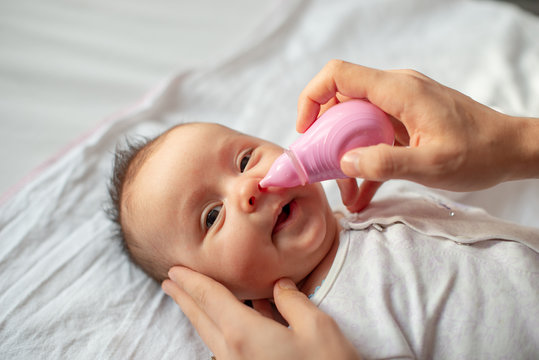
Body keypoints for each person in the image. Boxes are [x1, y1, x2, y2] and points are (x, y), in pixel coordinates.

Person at [160, 60, 539, 360]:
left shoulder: (382, 192)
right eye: (212, 216)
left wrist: (512, 143)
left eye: (244, 160)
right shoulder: (326, 333)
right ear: (216, 292)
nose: (247, 187)